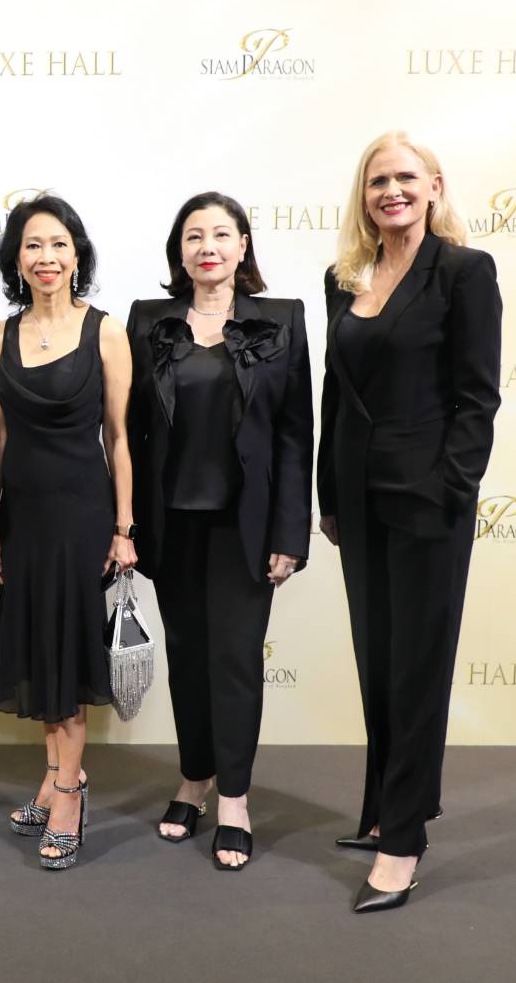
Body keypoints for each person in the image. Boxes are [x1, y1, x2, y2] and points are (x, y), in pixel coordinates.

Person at [317, 131, 502, 912]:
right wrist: (328, 493)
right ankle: (381, 809)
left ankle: (403, 841)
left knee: (417, 669)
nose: (390, 191)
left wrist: (449, 490)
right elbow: (336, 393)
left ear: (433, 185)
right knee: (378, 658)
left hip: (427, 501)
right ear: (362, 198)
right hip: (357, 500)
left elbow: (477, 396)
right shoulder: (345, 278)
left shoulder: (463, 272)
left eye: (403, 177)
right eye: (376, 181)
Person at [126, 192, 313, 870]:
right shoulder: (147, 322)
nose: (207, 246)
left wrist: (290, 532)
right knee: (188, 658)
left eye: (221, 234)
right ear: (179, 251)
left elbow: (295, 435)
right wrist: (123, 525)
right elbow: (128, 431)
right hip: (170, 521)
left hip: (246, 526)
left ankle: (233, 797)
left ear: (242, 246)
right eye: (193, 235)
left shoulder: (281, 320)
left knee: (234, 660)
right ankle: (194, 778)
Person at [0, 194, 136, 870]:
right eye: (33, 245)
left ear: (77, 255)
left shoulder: (105, 331)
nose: (46, 257)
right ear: (16, 259)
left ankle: (69, 795)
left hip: (81, 517)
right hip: (22, 518)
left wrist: (124, 528)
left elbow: (119, 437)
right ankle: (52, 775)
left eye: (58, 244)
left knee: (67, 656)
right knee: (39, 649)